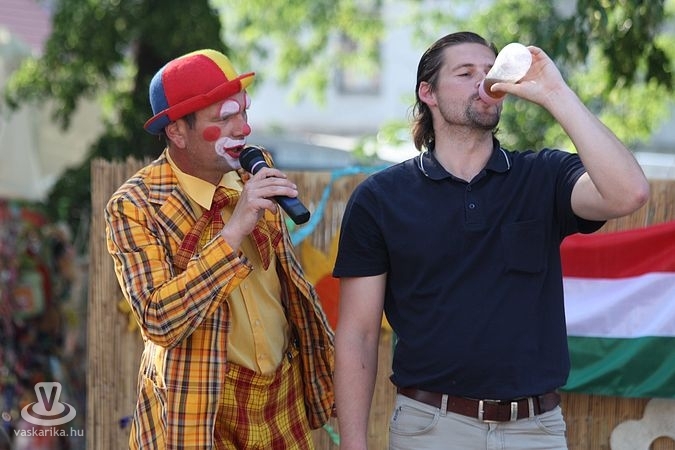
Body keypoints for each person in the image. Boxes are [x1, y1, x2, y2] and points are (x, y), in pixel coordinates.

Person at [332, 31, 649, 450]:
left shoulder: (543, 176)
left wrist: (556, 93)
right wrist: (353, 445)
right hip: (431, 429)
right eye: (465, 73)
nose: (485, 81)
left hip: (537, 431)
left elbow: (630, 193)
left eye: (490, 70)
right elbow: (358, 335)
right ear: (428, 93)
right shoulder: (379, 199)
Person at [105, 49, 334, 449]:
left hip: (281, 397)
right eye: (224, 118)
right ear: (178, 132)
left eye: (243, 112)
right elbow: (159, 319)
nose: (243, 128)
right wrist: (235, 228)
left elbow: (285, 283)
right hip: (197, 409)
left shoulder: (253, 168)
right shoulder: (135, 205)